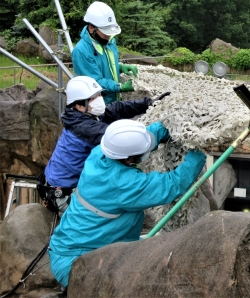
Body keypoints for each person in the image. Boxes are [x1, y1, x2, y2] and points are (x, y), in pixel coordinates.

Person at [48, 119, 206, 288]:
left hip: (68, 247)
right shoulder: (124, 184)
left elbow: (143, 139)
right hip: (79, 262)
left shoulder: (100, 153)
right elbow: (172, 184)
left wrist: (172, 126)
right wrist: (199, 152)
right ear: (128, 158)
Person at [38, 76, 169, 216]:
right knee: (118, 214)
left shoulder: (86, 115)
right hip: (63, 193)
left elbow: (118, 108)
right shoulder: (84, 128)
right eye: (94, 98)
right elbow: (125, 140)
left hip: (63, 183)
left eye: (99, 95)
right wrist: (162, 130)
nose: (100, 99)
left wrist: (149, 103)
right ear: (79, 105)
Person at [72, 1, 137, 104]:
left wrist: (119, 67)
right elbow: (94, 82)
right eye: (105, 32)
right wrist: (119, 87)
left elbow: (106, 65)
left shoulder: (109, 42)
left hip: (114, 102)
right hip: (95, 106)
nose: (108, 35)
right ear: (91, 28)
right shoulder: (81, 51)